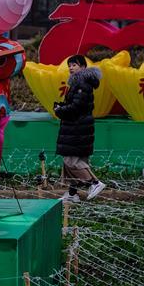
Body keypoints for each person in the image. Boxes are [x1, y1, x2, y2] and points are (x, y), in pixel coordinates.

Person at [54, 55, 105, 203]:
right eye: (69, 65)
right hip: (79, 127)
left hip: (77, 128)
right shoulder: (81, 82)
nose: (70, 67)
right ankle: (72, 193)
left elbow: (77, 106)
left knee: (71, 160)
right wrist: (62, 106)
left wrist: (60, 110)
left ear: (83, 67)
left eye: (74, 65)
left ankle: (94, 183)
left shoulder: (82, 84)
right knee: (74, 160)